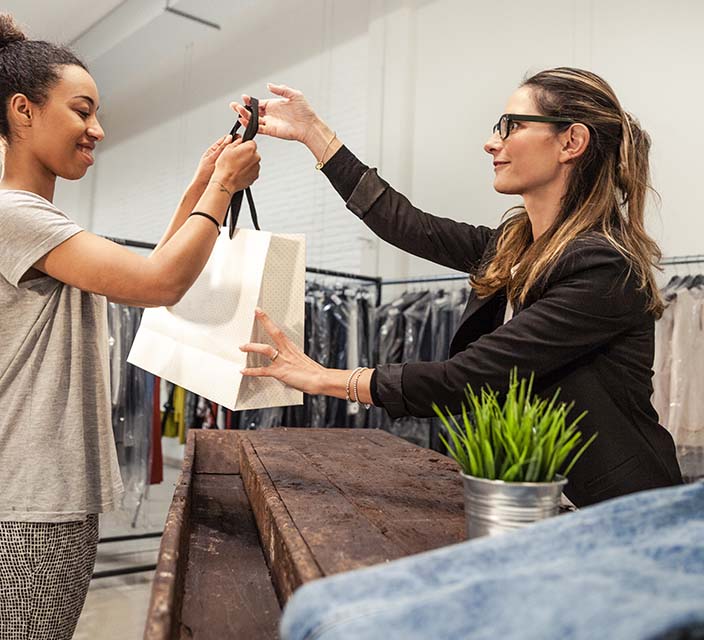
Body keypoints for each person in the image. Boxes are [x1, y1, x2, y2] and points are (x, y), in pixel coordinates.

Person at [235, 68, 682, 507]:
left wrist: (322, 378)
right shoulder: (513, 247)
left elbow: (467, 378)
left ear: (571, 142)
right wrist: (313, 132)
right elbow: (404, 223)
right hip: (536, 494)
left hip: (618, 509)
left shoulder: (604, 267)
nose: (492, 142)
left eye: (512, 126)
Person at [0, 14, 260, 639]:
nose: (98, 129)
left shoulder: (35, 219)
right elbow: (159, 284)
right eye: (82, 111)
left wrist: (203, 180)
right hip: (28, 502)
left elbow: (152, 271)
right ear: (23, 111)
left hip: (41, 495)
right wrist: (221, 189)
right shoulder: (15, 215)